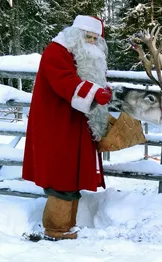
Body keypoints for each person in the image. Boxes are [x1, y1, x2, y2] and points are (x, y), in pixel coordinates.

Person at [22, 15, 112, 240]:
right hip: (57, 123)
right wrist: (94, 93)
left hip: (75, 122)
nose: (91, 42)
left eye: (95, 39)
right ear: (76, 35)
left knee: (72, 174)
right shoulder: (57, 51)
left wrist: (102, 89)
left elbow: (86, 79)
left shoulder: (79, 54)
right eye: (88, 37)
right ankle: (56, 228)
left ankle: (67, 225)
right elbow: (64, 80)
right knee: (60, 174)